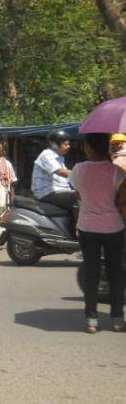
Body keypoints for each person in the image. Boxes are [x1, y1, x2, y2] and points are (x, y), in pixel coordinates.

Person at [68, 133, 126, 333]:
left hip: (88, 227)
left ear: (91, 148)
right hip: (113, 227)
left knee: (91, 273)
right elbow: (119, 197)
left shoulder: (78, 170)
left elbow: (78, 193)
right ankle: (118, 319)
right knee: (116, 272)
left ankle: (92, 320)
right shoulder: (117, 171)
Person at [31, 129, 77, 211]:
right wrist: (82, 174)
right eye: (65, 144)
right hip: (46, 193)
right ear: (55, 145)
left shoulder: (59, 158)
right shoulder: (47, 155)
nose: (68, 146)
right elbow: (60, 171)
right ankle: (80, 224)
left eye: (68, 144)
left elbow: (67, 178)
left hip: (58, 191)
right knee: (80, 197)